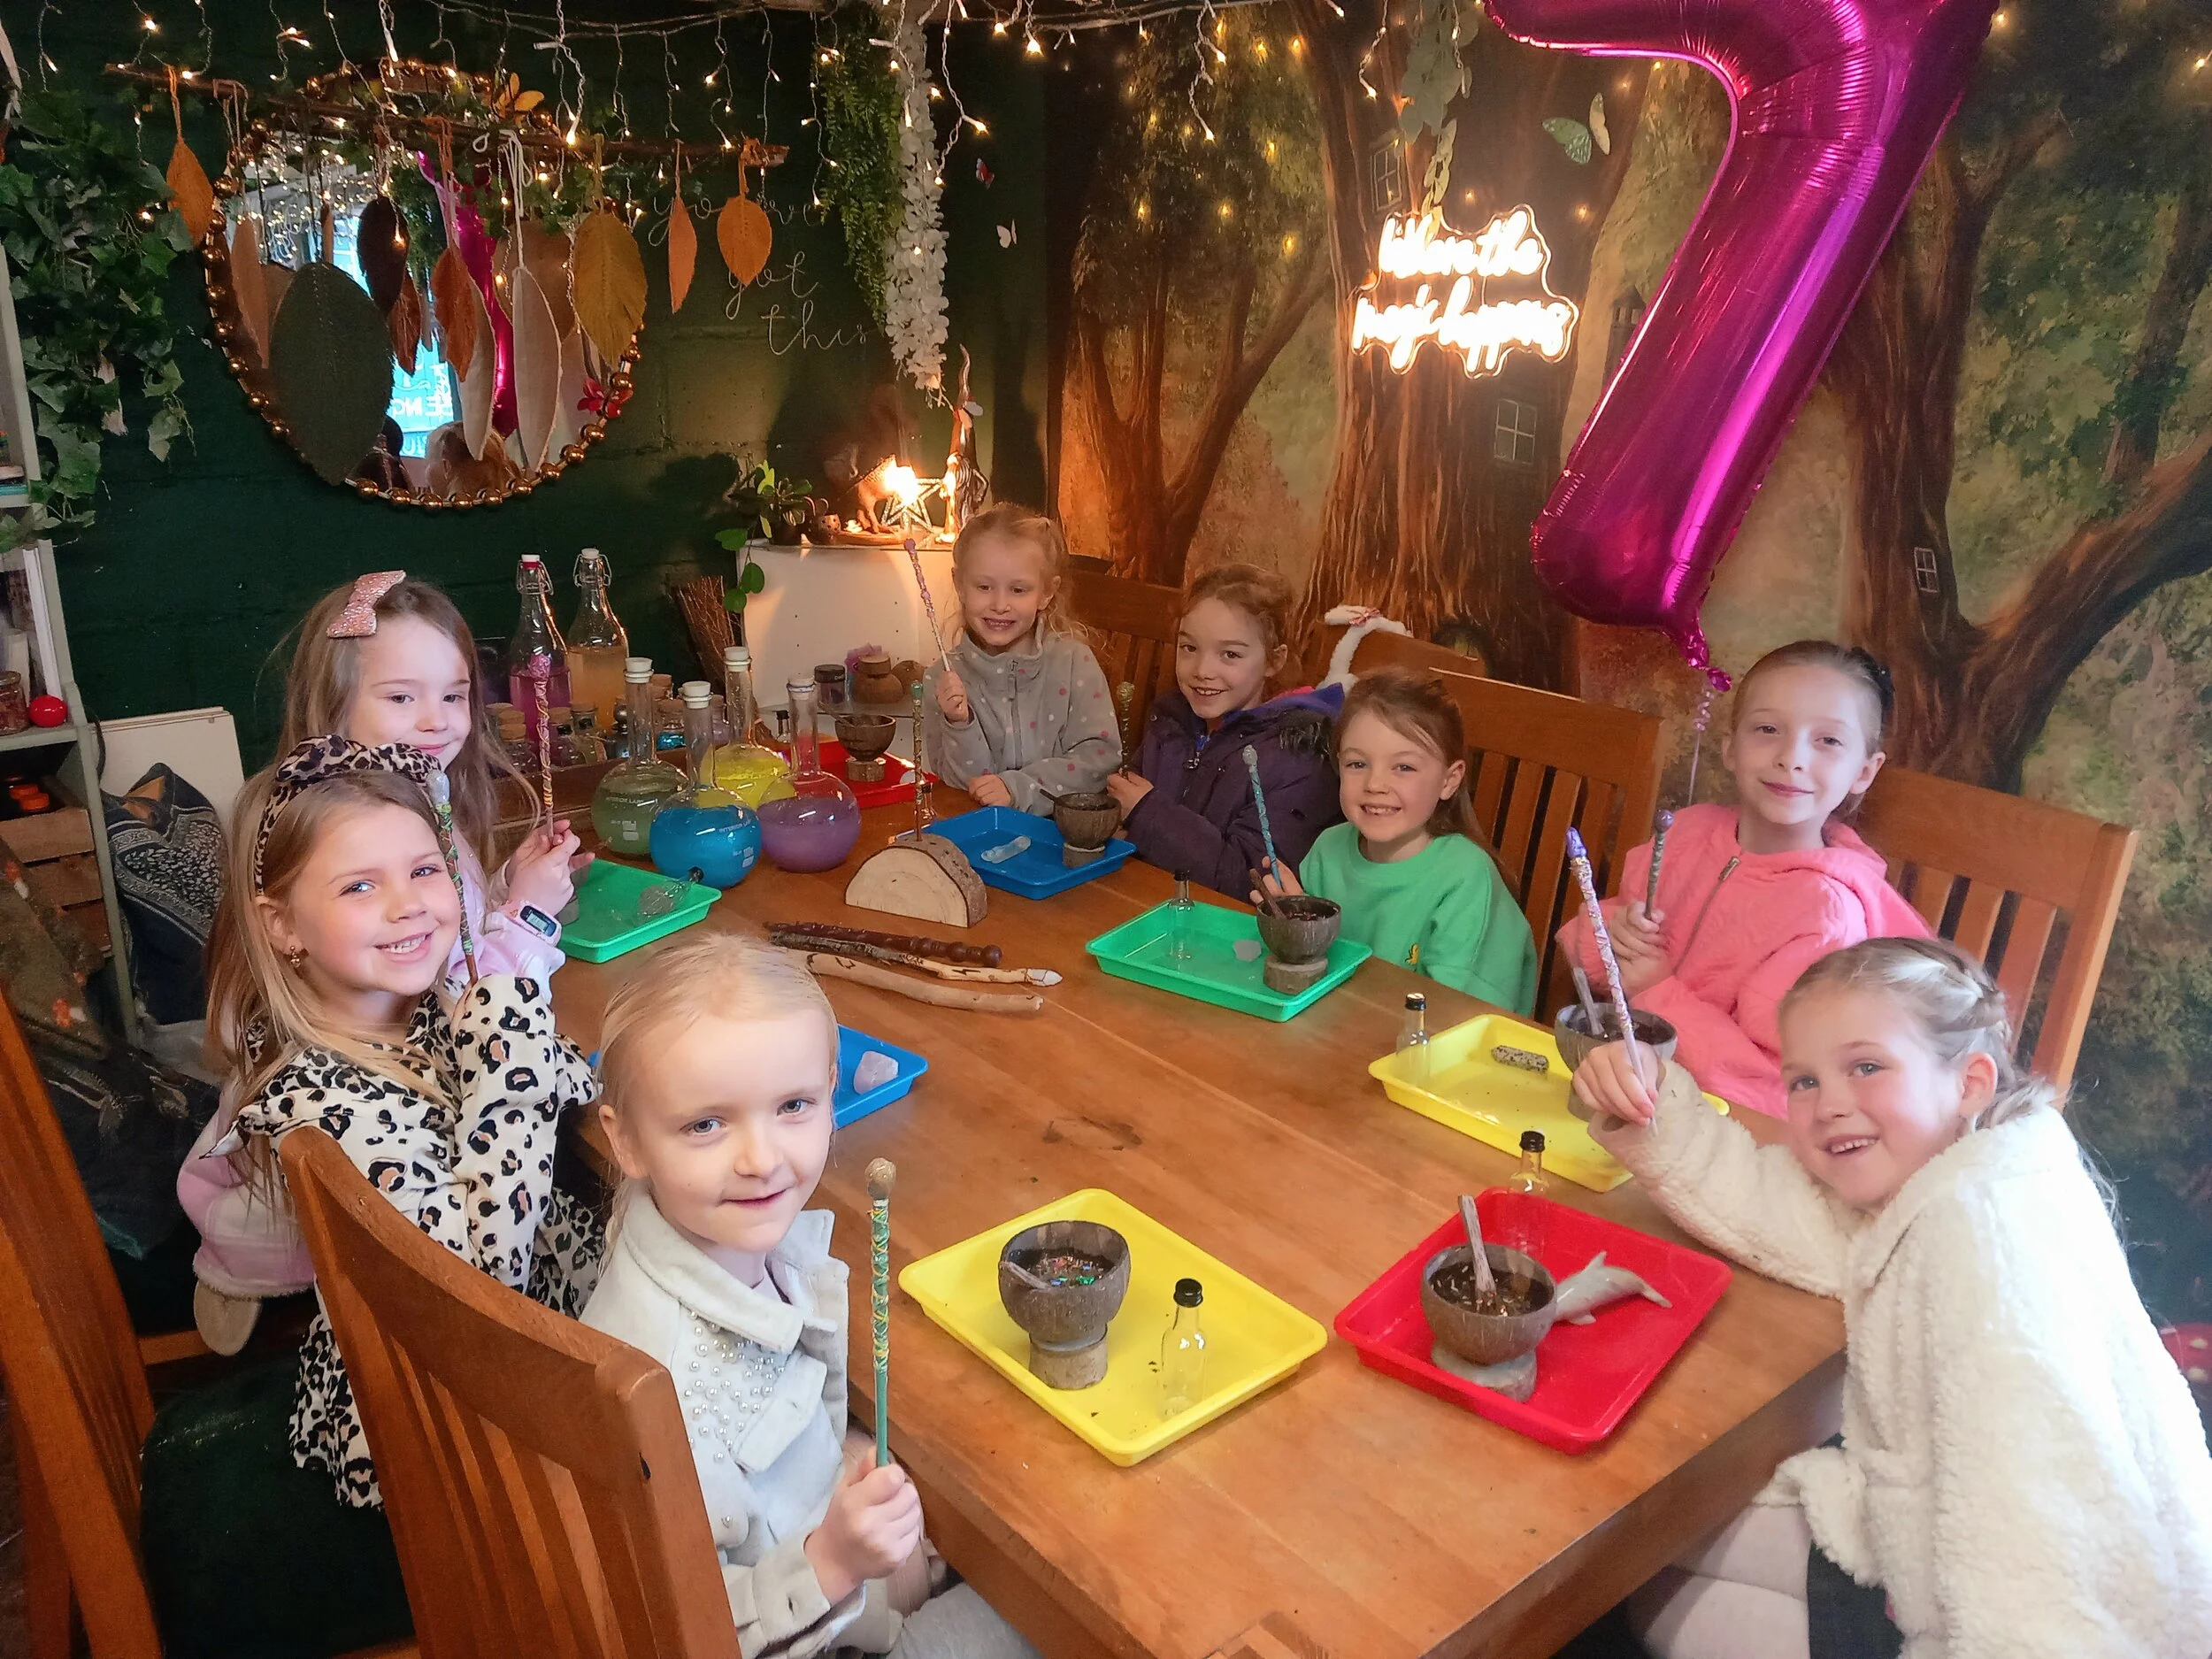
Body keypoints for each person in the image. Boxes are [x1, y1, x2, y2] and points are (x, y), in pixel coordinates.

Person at [1574, 938, 2212, 1659]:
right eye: (1804, 1080)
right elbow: (1786, 1210)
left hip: (2031, 1616)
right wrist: (1654, 1103)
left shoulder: (1986, 1256)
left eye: (1866, 1067)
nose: (1828, 1105)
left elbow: (2039, 1551)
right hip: (1925, 1545)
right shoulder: (1954, 1172)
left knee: (1654, 1600)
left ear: (1969, 1081)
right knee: (1655, 1549)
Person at [151, 739, 604, 1655]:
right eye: (360, 886)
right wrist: (509, 1027)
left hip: (471, 1376)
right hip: (454, 1445)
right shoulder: (320, 1102)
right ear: (283, 926)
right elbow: (481, 1281)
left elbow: (573, 1089)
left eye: (425, 870)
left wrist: (504, 1020)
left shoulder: (406, 1012)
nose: (408, 904)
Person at [582, 933, 1038, 1659]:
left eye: (793, 1105)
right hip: (820, 1635)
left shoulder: (720, 1235)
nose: (761, 1158)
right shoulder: (668, 1393)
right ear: (627, 1140)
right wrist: (832, 1561)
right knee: (1051, 1620)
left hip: (855, 1578)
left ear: (832, 1092)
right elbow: (689, 1631)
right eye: (705, 1124)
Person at [181, 572, 588, 1352]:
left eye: (455, 695)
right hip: (462, 1353)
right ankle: (245, 1281)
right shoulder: (335, 1097)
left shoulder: (416, 809)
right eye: (402, 697)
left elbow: (455, 952)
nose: (435, 719)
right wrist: (521, 954)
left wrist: (504, 891)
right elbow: (480, 1280)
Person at [1561, 641, 1927, 1117]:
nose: (1791, 757)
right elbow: (1590, 955)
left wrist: (1656, 990)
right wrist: (1615, 936)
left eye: (1828, 741)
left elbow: (1781, 1091)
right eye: (1768, 729)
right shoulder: (1686, 834)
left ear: (1864, 771)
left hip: (1722, 1129)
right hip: (1619, 1089)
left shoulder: (1827, 916)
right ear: (1730, 748)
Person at [1260, 665, 1536, 1011]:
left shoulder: (1465, 879)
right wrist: (1298, 930)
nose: (1375, 784)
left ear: (1449, 781)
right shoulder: (1327, 851)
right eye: (1357, 764)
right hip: (1349, 1025)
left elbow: (1449, 1015)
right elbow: (1317, 979)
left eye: (1404, 767)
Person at [1105, 562, 1342, 898]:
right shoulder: (1173, 721)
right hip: (1153, 900)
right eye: (1189, 648)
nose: (1203, 670)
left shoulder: (1298, 757)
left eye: (1230, 654)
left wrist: (1145, 812)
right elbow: (1127, 811)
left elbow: (1249, 880)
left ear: (1274, 661)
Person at [923, 504, 1119, 813]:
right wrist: (959, 724)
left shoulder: (1073, 662)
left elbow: (1101, 759)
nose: (1000, 604)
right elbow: (962, 786)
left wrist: (1020, 788)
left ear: (1047, 593)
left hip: (1061, 832)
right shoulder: (942, 679)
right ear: (959, 585)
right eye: (984, 587)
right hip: (982, 829)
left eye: (1018, 590)